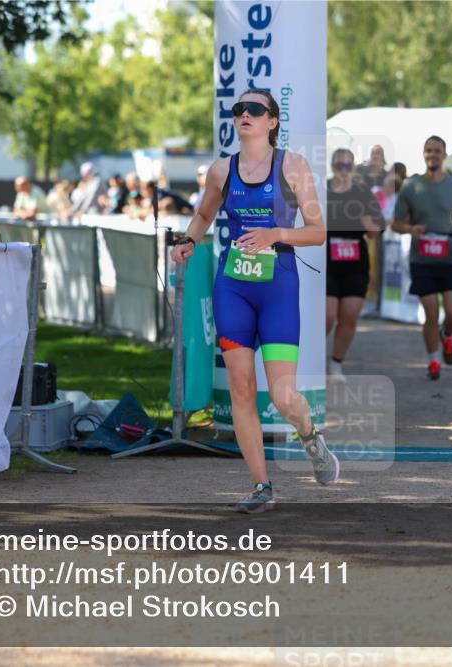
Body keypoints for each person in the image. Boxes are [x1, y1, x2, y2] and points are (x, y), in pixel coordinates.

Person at [170, 88, 335, 514]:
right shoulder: (221, 171)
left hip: (278, 285)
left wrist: (276, 234)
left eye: (255, 109)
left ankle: (309, 433)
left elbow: (317, 231)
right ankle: (262, 485)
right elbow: (205, 214)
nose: (245, 114)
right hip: (234, 286)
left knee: (282, 396)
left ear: (272, 121)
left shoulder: (293, 166)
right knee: (242, 389)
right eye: (239, 109)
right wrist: (189, 239)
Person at [391, 135, 452, 381]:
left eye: (437, 151)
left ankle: (447, 335)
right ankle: (434, 360)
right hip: (422, 258)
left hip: (448, 257)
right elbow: (395, 223)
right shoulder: (411, 187)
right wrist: (410, 230)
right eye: (428, 151)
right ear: (423, 154)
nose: (432, 155)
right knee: (430, 312)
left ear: (445, 154)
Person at [324, 148, 384, 384]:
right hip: (327, 261)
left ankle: (336, 363)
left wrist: (368, 222)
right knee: (327, 316)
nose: (344, 170)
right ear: (332, 166)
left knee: (349, 316)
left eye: (349, 166)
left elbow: (376, 231)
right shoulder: (323, 190)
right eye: (340, 165)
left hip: (355, 263)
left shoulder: (362, 192)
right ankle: (312, 359)